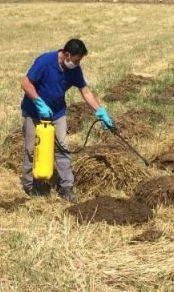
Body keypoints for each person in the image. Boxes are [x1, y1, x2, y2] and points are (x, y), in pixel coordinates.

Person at [20, 38, 113, 202]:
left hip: (57, 112)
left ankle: (66, 187)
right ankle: (29, 185)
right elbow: (26, 84)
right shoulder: (45, 61)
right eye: (77, 60)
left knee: (62, 147)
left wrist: (99, 110)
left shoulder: (74, 69)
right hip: (34, 112)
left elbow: (85, 91)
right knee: (31, 149)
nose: (78, 63)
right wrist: (39, 104)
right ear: (67, 55)